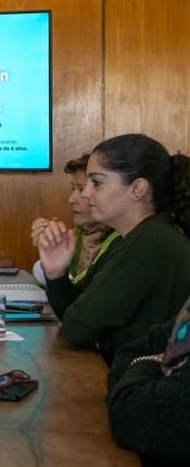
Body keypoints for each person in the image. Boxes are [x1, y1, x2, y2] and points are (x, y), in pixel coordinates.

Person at [37, 134, 190, 364]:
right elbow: (75, 314)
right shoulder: (126, 239)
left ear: (137, 188)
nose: (85, 194)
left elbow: (79, 328)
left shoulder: (150, 241)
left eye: (96, 183)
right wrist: (56, 273)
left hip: (141, 381)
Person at [106, 294, 190, 467]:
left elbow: (130, 414)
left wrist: (145, 364)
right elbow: (131, 351)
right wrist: (149, 363)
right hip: (137, 462)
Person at [30, 154, 119, 287]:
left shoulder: (120, 238)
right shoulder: (79, 232)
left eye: (82, 189)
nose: (71, 199)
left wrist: (57, 273)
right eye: (73, 188)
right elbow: (50, 286)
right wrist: (50, 247)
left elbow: (80, 289)